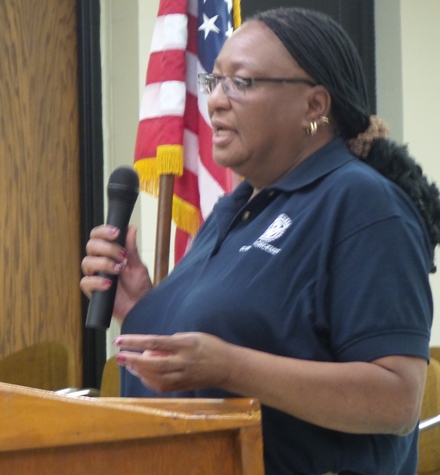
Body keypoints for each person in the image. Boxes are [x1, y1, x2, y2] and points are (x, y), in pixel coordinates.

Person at [81, 7, 440, 475]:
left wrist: (230, 366)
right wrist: (143, 304)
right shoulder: (236, 207)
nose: (215, 101)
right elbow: (241, 332)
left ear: (314, 106)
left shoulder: (364, 204)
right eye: (214, 82)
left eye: (242, 82)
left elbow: (396, 401)